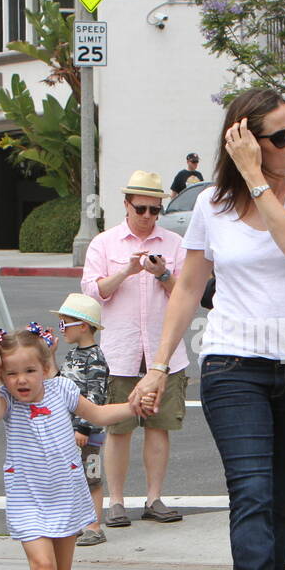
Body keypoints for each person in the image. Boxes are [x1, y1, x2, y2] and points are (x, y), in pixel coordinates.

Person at [127, 88, 285, 570]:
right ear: (244, 139)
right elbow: (189, 288)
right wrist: (156, 367)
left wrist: (258, 178)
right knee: (249, 491)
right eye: (279, 136)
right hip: (233, 364)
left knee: (282, 501)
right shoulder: (211, 206)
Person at [0, 323, 136, 570]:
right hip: (27, 497)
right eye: (11, 373)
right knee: (43, 566)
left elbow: (98, 414)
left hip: (65, 494)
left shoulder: (62, 389)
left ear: (47, 369)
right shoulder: (6, 400)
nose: (21, 380)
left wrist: (133, 407)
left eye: (30, 371)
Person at [81, 170, 189, 529]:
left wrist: (162, 275)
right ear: (126, 204)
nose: (147, 216)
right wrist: (126, 271)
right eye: (140, 208)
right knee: (119, 428)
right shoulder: (105, 243)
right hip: (120, 350)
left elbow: (187, 296)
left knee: (159, 426)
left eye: (154, 210)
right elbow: (93, 293)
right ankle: (115, 502)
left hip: (165, 352)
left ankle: (155, 498)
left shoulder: (174, 243)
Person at [51, 292, 110, 547]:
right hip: (69, 431)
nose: (61, 329)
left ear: (83, 326)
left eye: (64, 324)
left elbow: (96, 396)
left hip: (88, 433)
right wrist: (50, 354)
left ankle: (94, 526)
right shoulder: (73, 355)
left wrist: (84, 426)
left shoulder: (95, 358)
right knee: (73, 477)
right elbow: (57, 383)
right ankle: (77, 523)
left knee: (91, 478)